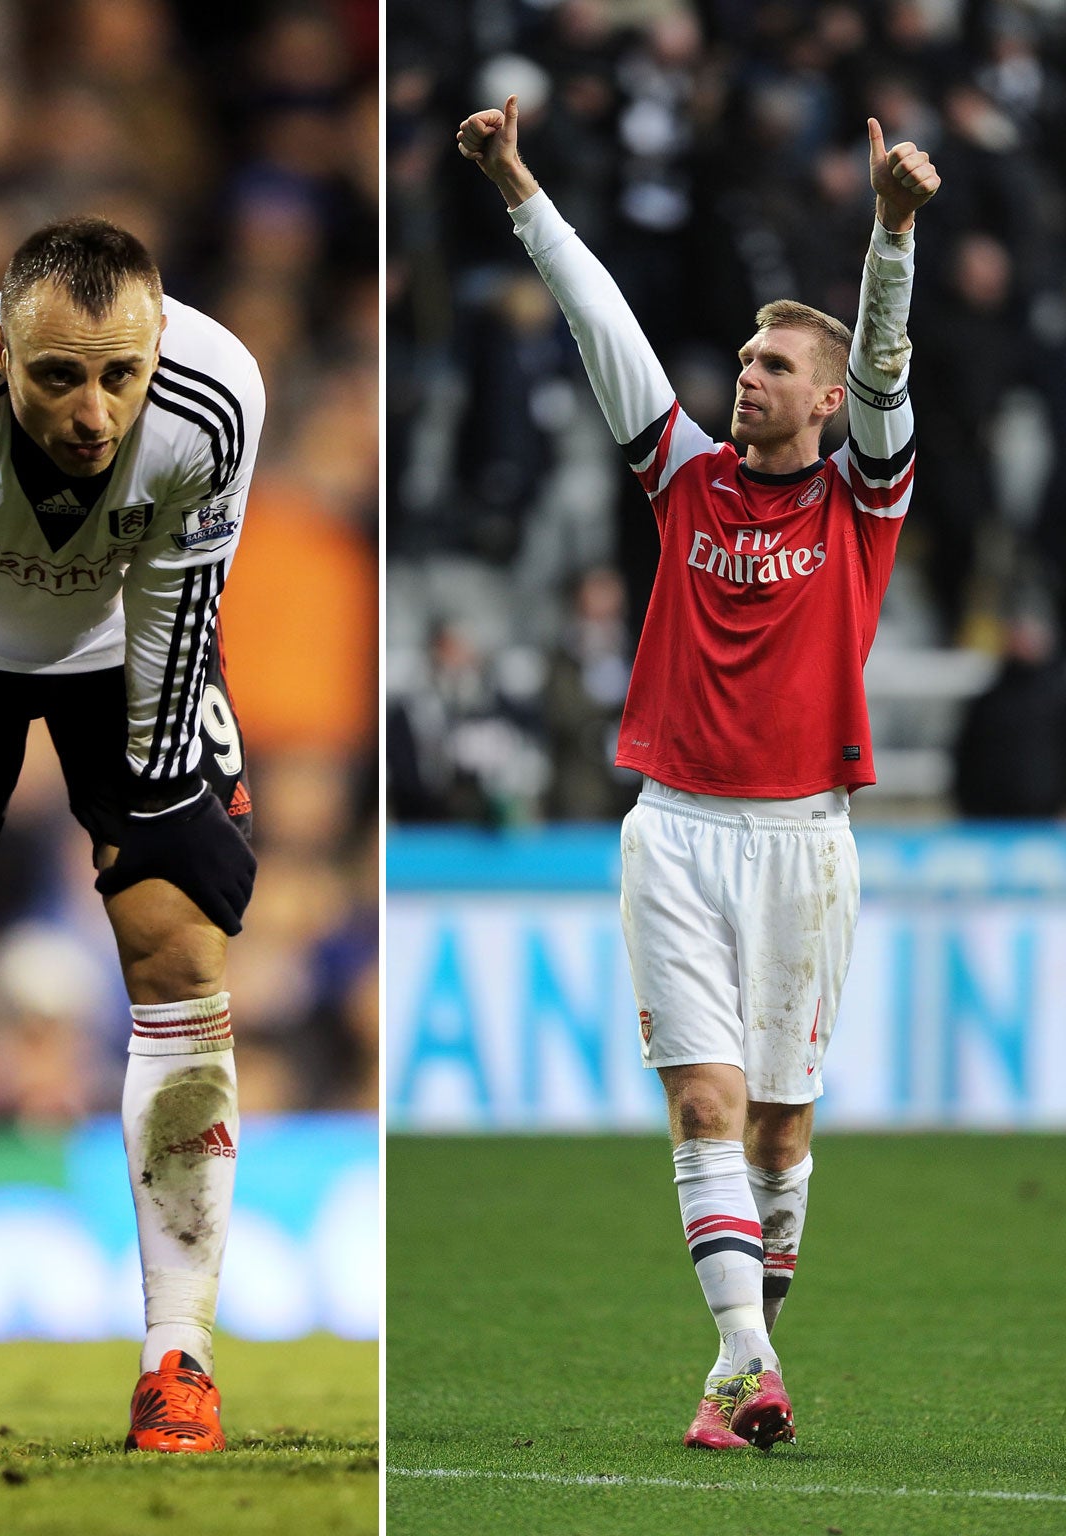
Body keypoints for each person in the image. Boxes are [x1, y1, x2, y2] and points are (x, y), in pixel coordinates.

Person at [458, 96, 937, 1449]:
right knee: (707, 1103)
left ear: (826, 400)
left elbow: (890, 367)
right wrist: (516, 184)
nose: (751, 375)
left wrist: (890, 234)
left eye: (779, 365)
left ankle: (742, 1369)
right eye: (745, 356)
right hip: (672, 831)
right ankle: (747, 1365)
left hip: (805, 840)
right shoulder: (681, 475)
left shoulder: (863, 497)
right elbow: (597, 315)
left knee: (781, 1134)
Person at [0, 216, 264, 1454]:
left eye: (118, 374)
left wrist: (157, 806)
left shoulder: (214, 404)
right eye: (58, 375)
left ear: (159, 345)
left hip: (126, 643)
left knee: (177, 951)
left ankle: (178, 1356)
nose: (92, 410)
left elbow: (179, 608)